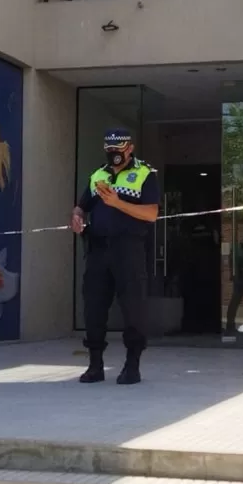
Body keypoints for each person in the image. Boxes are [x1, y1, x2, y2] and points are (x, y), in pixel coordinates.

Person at [70, 128, 159, 385]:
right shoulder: (98, 174)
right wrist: (76, 217)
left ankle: (132, 365)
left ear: (129, 148)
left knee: (133, 307)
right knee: (94, 307)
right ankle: (95, 365)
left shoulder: (145, 174)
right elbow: (82, 205)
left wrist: (118, 203)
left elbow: (151, 213)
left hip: (128, 249)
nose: (114, 154)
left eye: (118, 149)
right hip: (98, 248)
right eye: (109, 150)